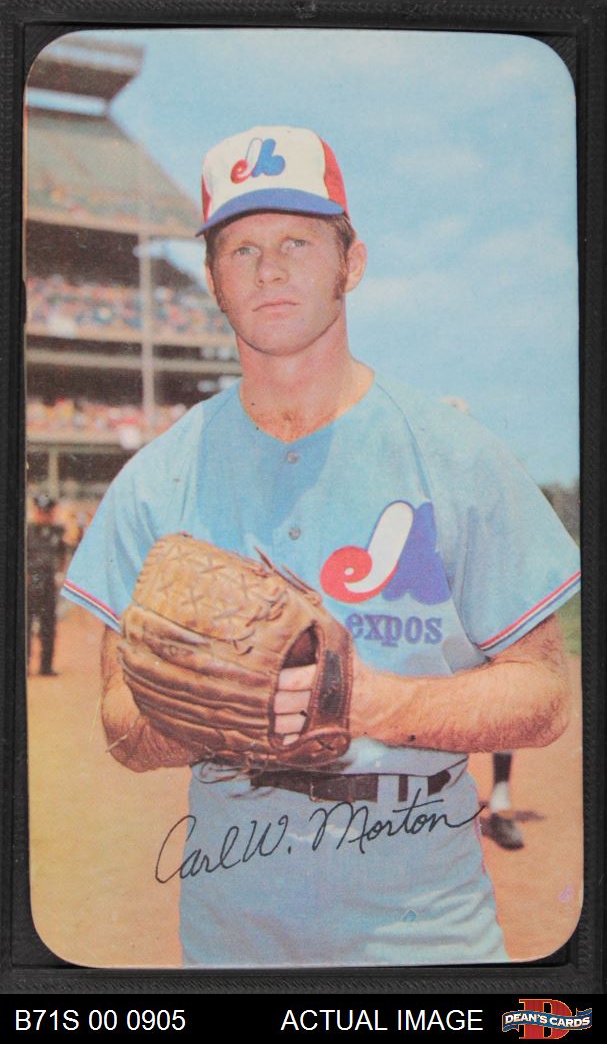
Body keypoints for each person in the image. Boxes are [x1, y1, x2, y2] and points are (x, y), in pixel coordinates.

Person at [62, 125, 581, 968]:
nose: (269, 269)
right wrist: (216, 711)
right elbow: (121, 724)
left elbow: (544, 696)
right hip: (233, 942)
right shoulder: (156, 480)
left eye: (298, 243)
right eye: (242, 249)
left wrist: (369, 703)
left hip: (425, 939)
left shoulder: (456, 455)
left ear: (352, 263)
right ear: (214, 281)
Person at [27, 492, 66, 676]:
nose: (44, 515)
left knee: (48, 626)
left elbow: (62, 555)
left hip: (49, 584)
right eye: (40, 511)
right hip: (29, 583)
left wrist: (60, 573)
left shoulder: (57, 532)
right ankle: (24, 664)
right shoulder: (27, 532)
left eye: (47, 512)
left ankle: (46, 666)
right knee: (25, 626)